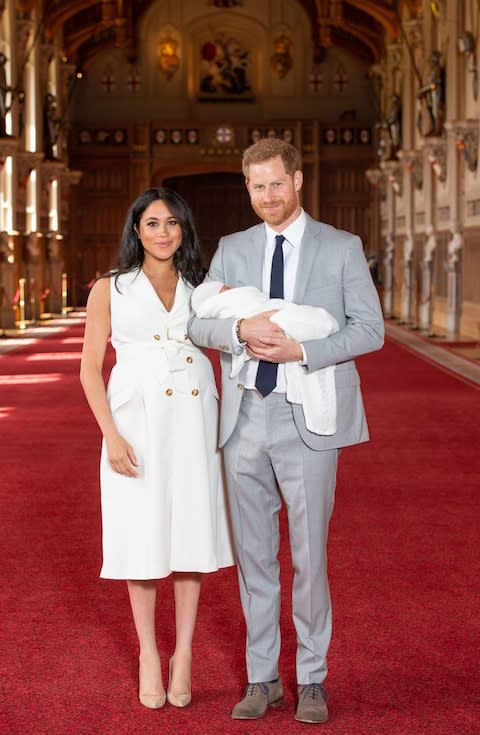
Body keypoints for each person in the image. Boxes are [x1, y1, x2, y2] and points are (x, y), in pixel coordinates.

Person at [189, 138, 384, 724]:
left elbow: (369, 330)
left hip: (309, 417)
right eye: (257, 186)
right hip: (245, 417)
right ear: (247, 189)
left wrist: (304, 347)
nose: (268, 196)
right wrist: (238, 329)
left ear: (297, 181)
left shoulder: (341, 247)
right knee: (254, 559)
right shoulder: (232, 247)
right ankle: (262, 677)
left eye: (277, 183)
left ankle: (313, 678)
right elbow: (199, 321)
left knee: (309, 557)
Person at [80, 187, 234, 711]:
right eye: (152, 223)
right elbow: (89, 367)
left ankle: (184, 653)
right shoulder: (110, 287)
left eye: (172, 223)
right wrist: (111, 435)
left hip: (194, 417)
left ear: (185, 230)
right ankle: (149, 650)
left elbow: (231, 335)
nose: (163, 232)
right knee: (142, 536)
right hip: (136, 420)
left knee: (191, 533)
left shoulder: (204, 286)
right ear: (136, 230)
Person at [191, 281, 339, 435]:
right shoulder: (224, 285)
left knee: (304, 319)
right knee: (301, 321)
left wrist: (302, 351)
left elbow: (365, 327)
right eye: (226, 290)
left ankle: (321, 323)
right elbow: (195, 327)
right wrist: (241, 329)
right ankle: (321, 323)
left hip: (296, 398)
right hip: (245, 407)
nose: (232, 289)